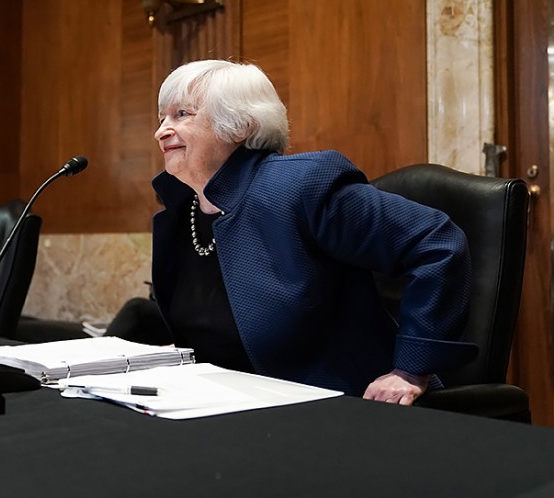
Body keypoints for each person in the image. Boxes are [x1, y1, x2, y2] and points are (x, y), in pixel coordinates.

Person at [150, 60, 477, 405]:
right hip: (216, 403)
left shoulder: (299, 186)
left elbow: (437, 242)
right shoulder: (180, 212)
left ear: (240, 124)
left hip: (332, 409)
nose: (162, 131)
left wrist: (411, 370)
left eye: (182, 114)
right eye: (161, 119)